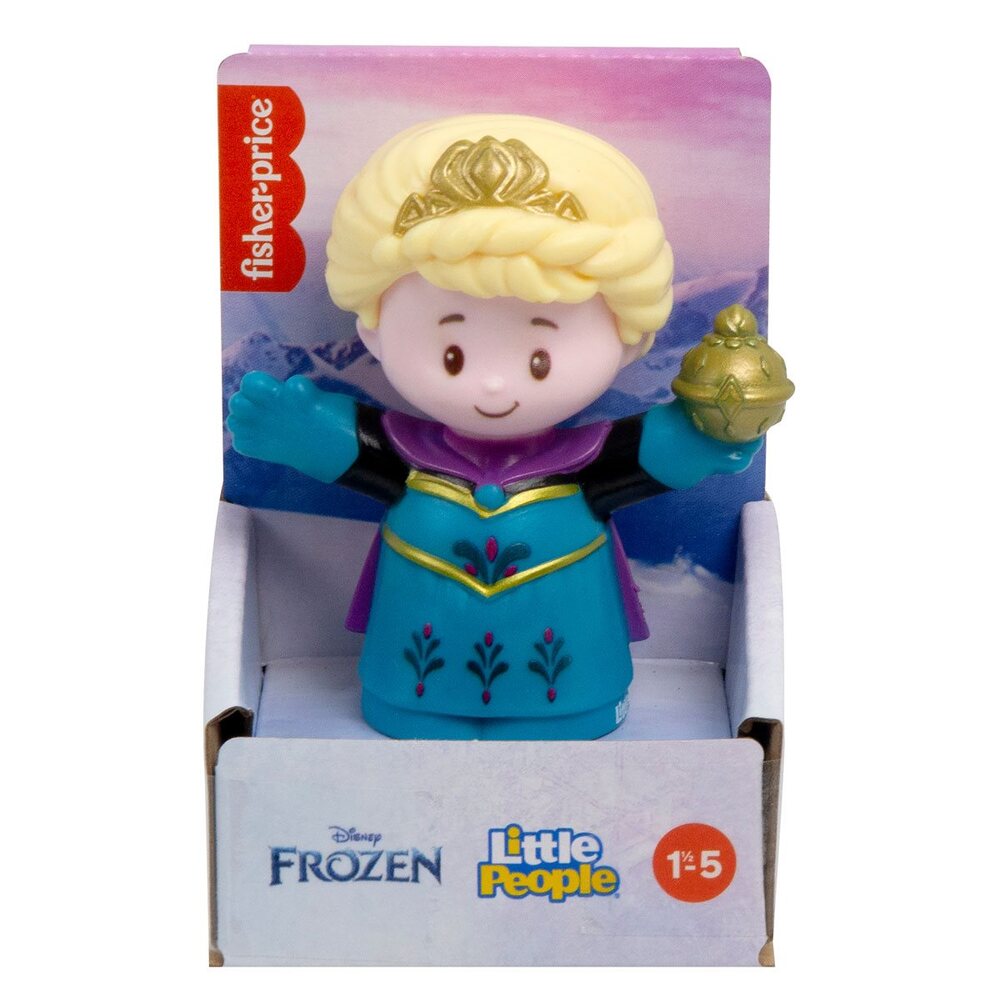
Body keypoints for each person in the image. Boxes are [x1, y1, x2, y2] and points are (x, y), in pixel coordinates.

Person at [227, 114, 761, 739]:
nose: (493, 386)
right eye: (453, 355)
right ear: (372, 329)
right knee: (414, 693)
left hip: (570, 675)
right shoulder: (404, 453)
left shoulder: (592, 460)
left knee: (565, 694)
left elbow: (659, 450)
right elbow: (345, 445)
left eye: (539, 360)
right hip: (413, 672)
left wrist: (712, 433)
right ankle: (419, 708)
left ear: (624, 340)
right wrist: (296, 431)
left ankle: (565, 709)